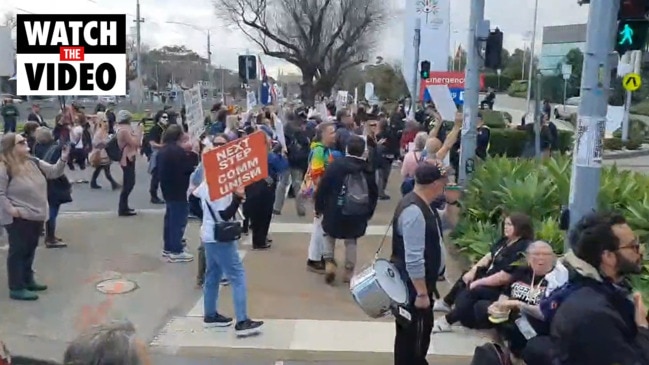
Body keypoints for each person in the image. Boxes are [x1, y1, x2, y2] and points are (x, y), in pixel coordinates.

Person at [550, 212, 649, 365]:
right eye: (633, 246)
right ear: (608, 256)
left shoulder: (608, 291)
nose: (641, 251)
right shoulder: (593, 314)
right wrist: (643, 329)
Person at [391, 163, 460, 365]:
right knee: (414, 339)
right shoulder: (414, 211)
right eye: (444, 182)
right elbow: (414, 258)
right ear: (435, 184)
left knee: (416, 337)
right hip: (414, 290)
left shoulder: (424, 206)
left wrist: (452, 203)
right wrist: (421, 293)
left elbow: (447, 223)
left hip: (420, 286)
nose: (446, 185)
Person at [433, 213, 534, 332]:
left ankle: (447, 320)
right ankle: (446, 303)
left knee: (475, 290)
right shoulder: (505, 241)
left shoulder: (523, 247)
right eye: (505, 224)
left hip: (501, 288)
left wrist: (479, 282)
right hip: (489, 276)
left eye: (509, 225)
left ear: (520, 227)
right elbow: (489, 256)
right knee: (467, 276)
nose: (505, 227)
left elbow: (505, 277)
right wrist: (473, 270)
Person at [193, 168, 264, 337]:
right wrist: (237, 197)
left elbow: (193, 199)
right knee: (237, 275)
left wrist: (206, 219)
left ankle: (210, 315)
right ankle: (242, 320)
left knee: (212, 275)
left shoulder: (205, 183)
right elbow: (225, 214)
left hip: (208, 235)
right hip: (221, 238)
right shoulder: (221, 188)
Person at [0, 133, 69, 300]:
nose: (26, 143)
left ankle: (27, 279)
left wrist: (63, 159)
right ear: (11, 148)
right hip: (19, 217)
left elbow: (53, 172)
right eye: (20, 142)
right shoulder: (4, 167)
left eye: (24, 141)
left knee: (30, 249)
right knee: (18, 251)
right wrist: (12, 210)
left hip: (36, 215)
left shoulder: (33, 161)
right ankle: (16, 287)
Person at [315, 135, 378, 284]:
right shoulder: (367, 169)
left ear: (347, 149)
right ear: (363, 151)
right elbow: (373, 193)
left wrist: (319, 206)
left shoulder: (336, 165)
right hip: (358, 211)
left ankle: (329, 262)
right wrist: (369, 211)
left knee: (328, 235)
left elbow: (323, 187)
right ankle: (349, 271)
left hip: (334, 209)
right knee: (351, 241)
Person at [304, 122, 337, 273]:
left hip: (322, 193)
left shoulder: (325, 150)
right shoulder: (319, 151)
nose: (334, 135)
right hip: (320, 193)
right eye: (331, 132)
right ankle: (314, 259)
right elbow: (317, 175)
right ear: (323, 134)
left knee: (321, 225)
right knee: (319, 226)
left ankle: (319, 256)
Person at [32, 127, 72, 248]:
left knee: (47, 207)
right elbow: (56, 168)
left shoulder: (36, 147)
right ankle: (50, 238)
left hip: (41, 179)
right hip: (54, 180)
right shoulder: (56, 148)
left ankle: (45, 232)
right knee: (53, 210)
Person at [116, 110, 142, 216]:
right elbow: (135, 143)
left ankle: (124, 207)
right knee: (129, 183)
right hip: (127, 158)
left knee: (128, 182)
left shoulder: (122, 129)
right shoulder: (124, 130)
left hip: (128, 157)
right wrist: (139, 132)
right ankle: (122, 208)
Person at [147, 112, 169, 204]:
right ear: (159, 118)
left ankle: (166, 195)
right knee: (156, 176)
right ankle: (153, 195)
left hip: (166, 154)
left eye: (167, 117)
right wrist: (162, 146)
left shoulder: (167, 128)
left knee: (165, 176)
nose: (166, 119)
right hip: (157, 154)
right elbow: (152, 143)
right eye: (164, 117)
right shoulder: (155, 128)